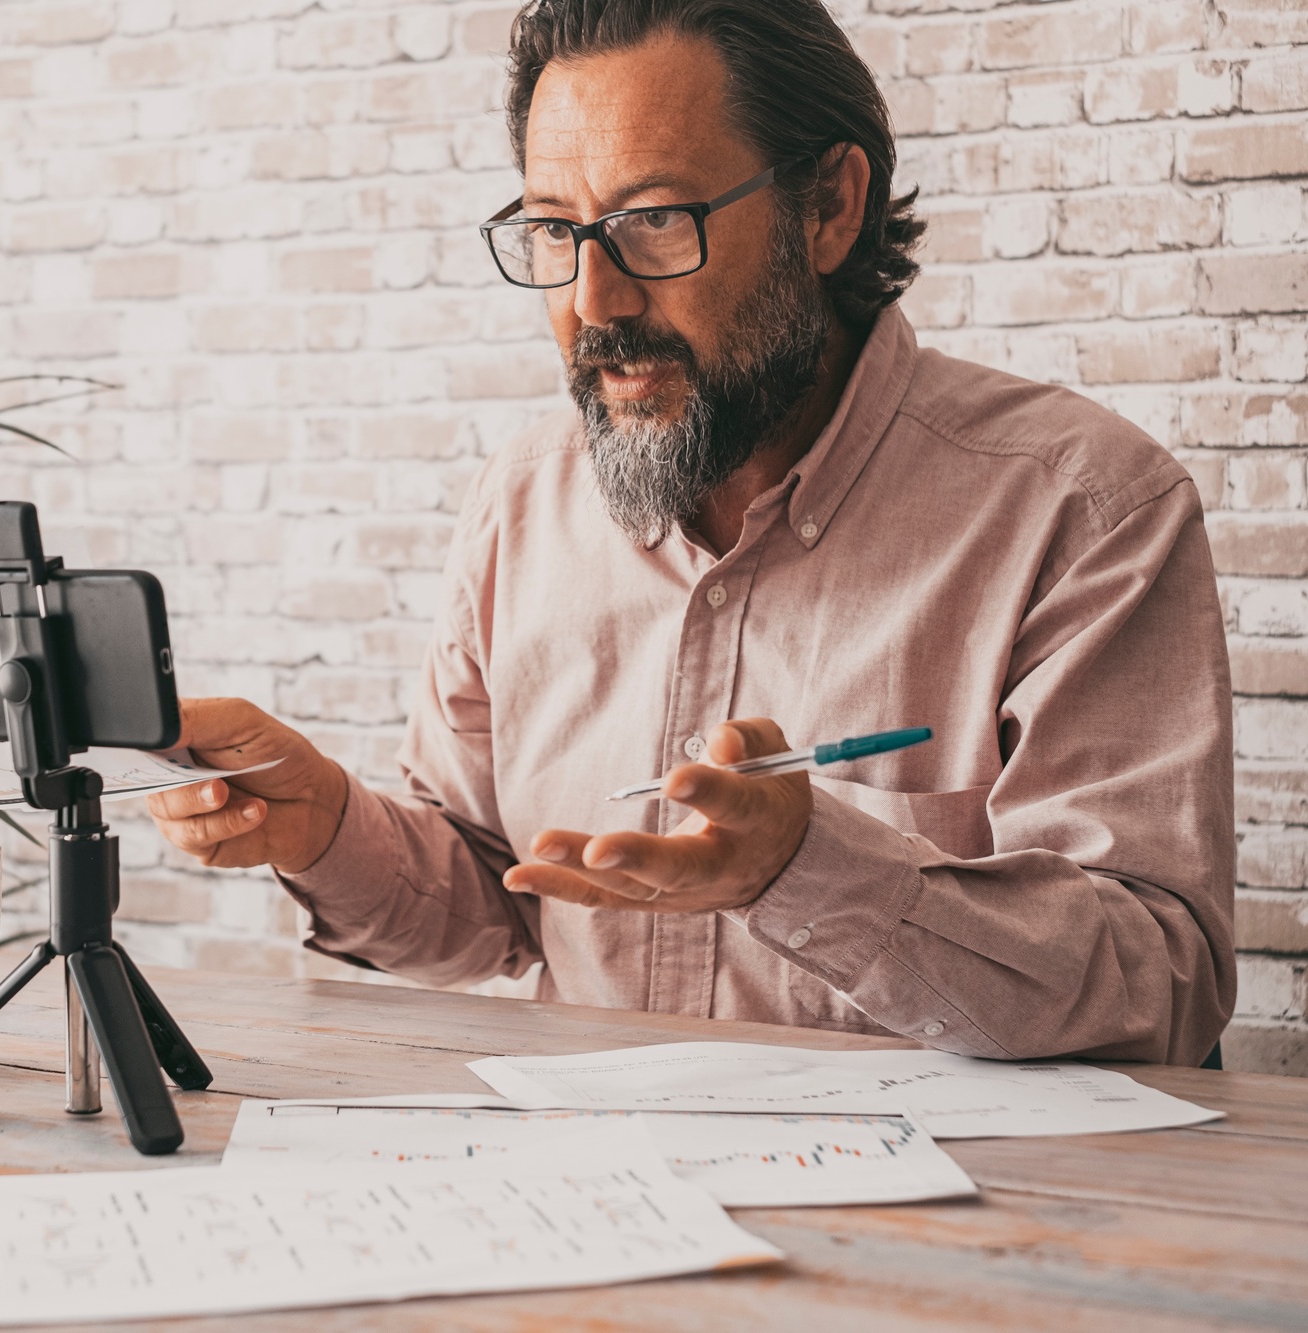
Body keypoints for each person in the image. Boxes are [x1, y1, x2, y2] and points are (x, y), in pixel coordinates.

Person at [148, 0, 1235, 1065]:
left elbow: (1159, 985)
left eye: (653, 221)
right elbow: (492, 906)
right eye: (554, 232)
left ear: (827, 208)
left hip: (946, 1219)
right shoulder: (521, 502)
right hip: (602, 1186)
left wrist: (808, 865)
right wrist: (325, 825)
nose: (593, 298)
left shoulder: (1081, 508)